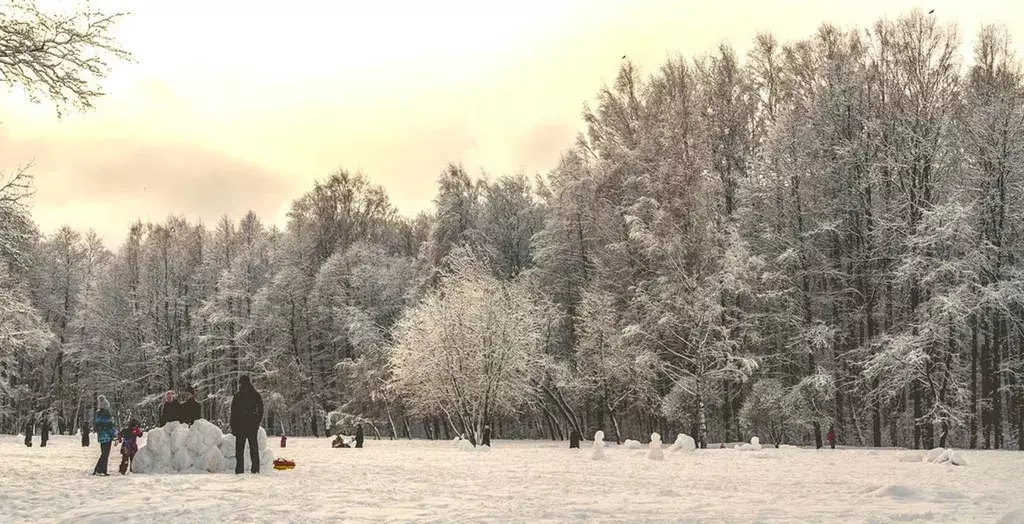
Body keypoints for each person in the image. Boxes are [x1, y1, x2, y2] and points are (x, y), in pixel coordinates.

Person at [230, 375, 264, 474]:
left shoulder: (238, 396)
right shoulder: (255, 394)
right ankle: (255, 470)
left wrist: (233, 427)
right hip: (251, 425)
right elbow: (261, 410)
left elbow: (233, 413)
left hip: (240, 426)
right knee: (253, 449)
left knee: (239, 451)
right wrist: (256, 421)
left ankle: (239, 470)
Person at [92, 395, 117, 476]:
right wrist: (114, 436)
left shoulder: (98, 414)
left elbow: (97, 426)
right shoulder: (107, 415)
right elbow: (110, 427)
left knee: (103, 453)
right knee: (105, 454)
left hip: (101, 436)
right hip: (107, 437)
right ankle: (101, 470)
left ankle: (98, 469)